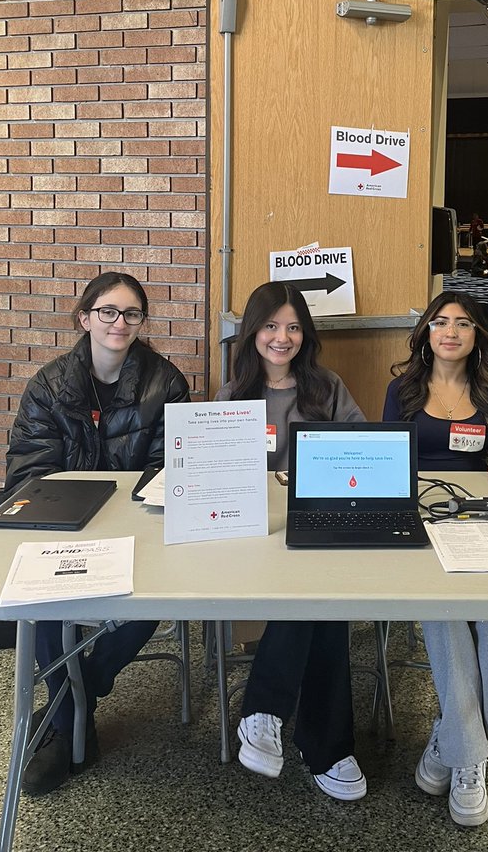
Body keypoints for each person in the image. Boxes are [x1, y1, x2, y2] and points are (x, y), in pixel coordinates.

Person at [5, 271, 191, 797]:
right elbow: (28, 473)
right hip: (65, 527)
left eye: (131, 313)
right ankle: (72, 718)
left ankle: (73, 699)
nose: (119, 322)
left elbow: (169, 472)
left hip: (139, 534)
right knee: (38, 599)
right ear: (85, 318)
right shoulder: (49, 384)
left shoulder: (166, 383)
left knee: (154, 599)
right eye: (107, 311)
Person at [215, 281, 367, 800]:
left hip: (320, 527)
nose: (283, 338)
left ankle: (264, 708)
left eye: (294, 327)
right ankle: (328, 748)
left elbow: (362, 455)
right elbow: (219, 475)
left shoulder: (327, 387)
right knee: (319, 602)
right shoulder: (231, 395)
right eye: (272, 326)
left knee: (315, 585)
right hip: (253, 537)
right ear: (252, 331)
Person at [382, 291, 488, 827]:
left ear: (477, 336)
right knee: (443, 609)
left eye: (463, 324)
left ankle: (450, 743)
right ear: (426, 332)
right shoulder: (403, 390)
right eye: (440, 322)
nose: (451, 332)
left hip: (481, 520)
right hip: (421, 520)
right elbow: (389, 462)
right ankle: (469, 760)